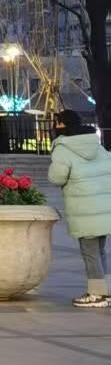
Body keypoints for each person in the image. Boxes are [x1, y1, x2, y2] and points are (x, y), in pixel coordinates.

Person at [48, 108, 111, 309]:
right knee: (100, 251)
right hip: (103, 206)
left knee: (90, 252)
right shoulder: (97, 146)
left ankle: (96, 294)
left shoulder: (63, 148)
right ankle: (106, 291)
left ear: (63, 125)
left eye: (57, 122)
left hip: (84, 207)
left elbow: (57, 177)